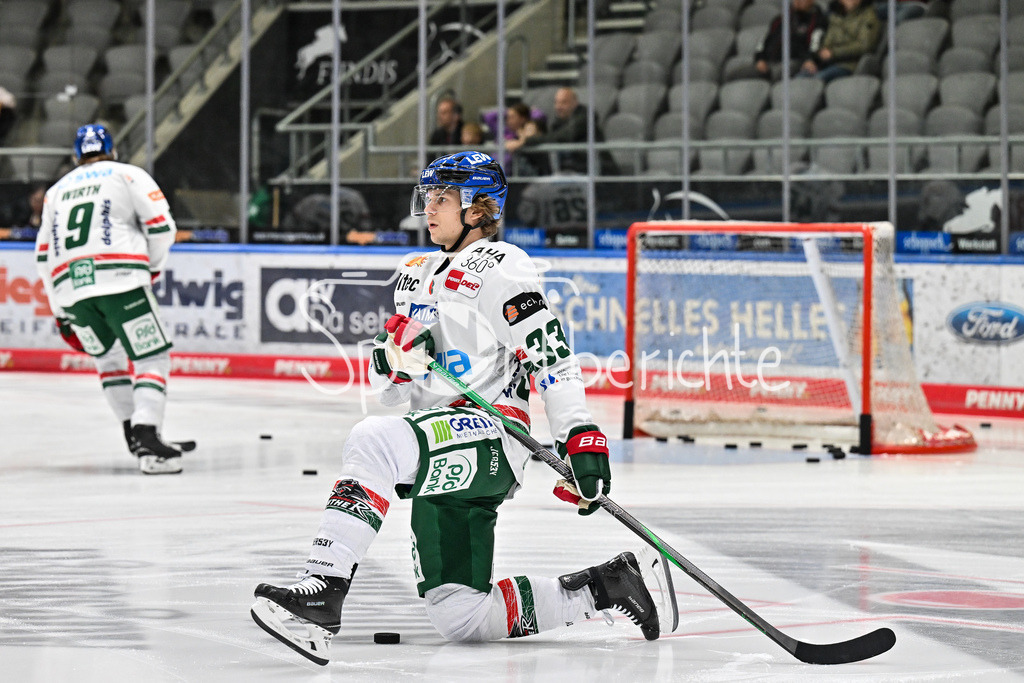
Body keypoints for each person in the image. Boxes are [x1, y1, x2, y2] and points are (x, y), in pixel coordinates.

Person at [250, 151, 665, 666]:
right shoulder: (412, 272)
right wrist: (394, 358)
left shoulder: (502, 265)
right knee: (462, 616)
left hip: (491, 434)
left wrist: (577, 432)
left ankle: (323, 588)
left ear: (478, 207)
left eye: (442, 198)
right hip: (435, 438)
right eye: (427, 198)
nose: (429, 209)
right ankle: (608, 585)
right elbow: (394, 383)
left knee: (373, 441)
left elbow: (548, 351)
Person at [34, 123, 189, 475]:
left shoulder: (56, 191)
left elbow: (42, 257)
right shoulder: (127, 174)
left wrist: (60, 310)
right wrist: (151, 268)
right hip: (121, 280)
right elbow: (163, 228)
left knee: (108, 360)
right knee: (152, 356)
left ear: (76, 156)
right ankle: (147, 429)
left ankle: (137, 437)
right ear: (113, 150)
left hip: (70, 290)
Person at [512, 87, 615, 175]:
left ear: (575, 103)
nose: (558, 106)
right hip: (569, 173)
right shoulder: (557, 124)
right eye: (556, 102)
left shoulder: (586, 116)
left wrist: (526, 141)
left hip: (597, 174)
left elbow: (564, 136)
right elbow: (551, 140)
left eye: (563, 102)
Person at [798, 0, 881, 83]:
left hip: (848, 64)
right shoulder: (835, 14)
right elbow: (826, 40)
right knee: (801, 78)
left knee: (817, 80)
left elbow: (865, 45)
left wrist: (834, 52)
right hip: (826, 62)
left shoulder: (869, 15)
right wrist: (814, 59)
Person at [746, 0, 828, 82]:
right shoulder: (780, 19)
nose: (797, 1)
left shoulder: (818, 20)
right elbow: (764, 41)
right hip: (769, 61)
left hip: (796, 61)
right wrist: (760, 59)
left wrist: (810, 60)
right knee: (738, 73)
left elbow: (816, 45)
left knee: (778, 73)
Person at [503, 102, 549, 176]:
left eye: (530, 131)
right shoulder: (516, 138)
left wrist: (521, 142)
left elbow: (541, 116)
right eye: (525, 130)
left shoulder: (540, 142)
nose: (526, 133)